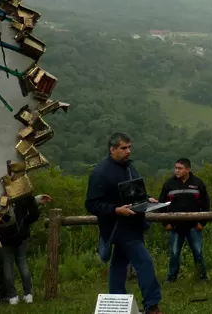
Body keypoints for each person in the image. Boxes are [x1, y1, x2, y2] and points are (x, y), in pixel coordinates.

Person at [85, 133, 163, 314]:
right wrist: (116, 210)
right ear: (112, 150)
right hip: (118, 228)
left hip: (133, 224)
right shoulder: (101, 172)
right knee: (144, 263)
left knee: (119, 266)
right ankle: (152, 306)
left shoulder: (129, 167)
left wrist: (146, 199)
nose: (128, 151)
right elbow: (91, 204)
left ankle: (116, 304)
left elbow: (133, 192)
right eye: (123, 148)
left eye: (129, 147)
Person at [0, 193, 51, 305]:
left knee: (7, 264)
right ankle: (28, 294)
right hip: (21, 233)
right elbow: (34, 215)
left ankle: (12, 297)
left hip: (3, 233)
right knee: (22, 261)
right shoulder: (24, 192)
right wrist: (24, 220)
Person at [159, 158, 210, 282]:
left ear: (188, 169)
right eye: (176, 168)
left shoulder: (198, 183)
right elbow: (161, 204)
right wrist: (166, 223)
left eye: (180, 168)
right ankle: (172, 277)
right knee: (174, 253)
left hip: (193, 225)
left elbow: (206, 204)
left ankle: (202, 276)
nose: (177, 170)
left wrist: (201, 223)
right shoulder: (169, 184)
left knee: (198, 252)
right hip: (175, 226)